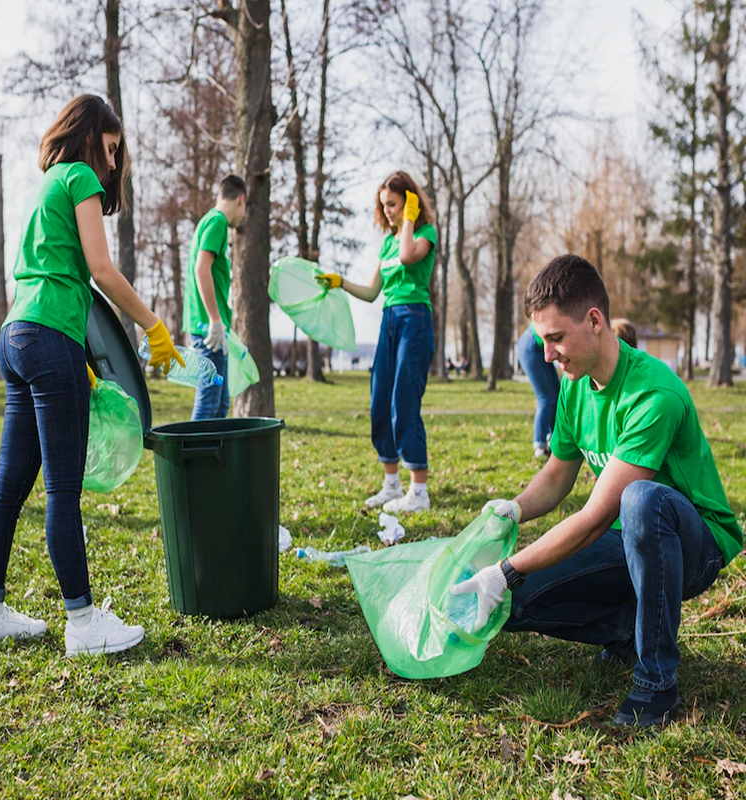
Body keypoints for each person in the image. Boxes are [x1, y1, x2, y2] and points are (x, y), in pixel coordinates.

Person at [453, 254, 743, 727]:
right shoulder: (575, 383)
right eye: (542, 341)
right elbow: (557, 474)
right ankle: (629, 631)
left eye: (555, 338)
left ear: (594, 321)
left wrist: (506, 569)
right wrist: (514, 509)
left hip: (693, 546)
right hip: (630, 535)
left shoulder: (654, 394)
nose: (547, 355)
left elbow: (593, 518)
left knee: (641, 501)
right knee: (515, 602)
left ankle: (656, 684)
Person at [0, 95, 183, 656]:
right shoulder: (82, 176)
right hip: (50, 339)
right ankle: (83, 624)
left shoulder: (44, 184)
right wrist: (154, 326)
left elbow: (58, 276)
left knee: (8, 488)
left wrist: (80, 365)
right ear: (91, 136)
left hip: (18, 336)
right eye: (111, 150)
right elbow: (101, 271)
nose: (112, 165)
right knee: (63, 491)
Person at [317, 171, 437, 513]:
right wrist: (341, 282)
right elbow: (371, 293)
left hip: (414, 320)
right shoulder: (387, 243)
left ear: (409, 201)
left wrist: (411, 219)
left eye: (393, 204)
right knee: (380, 400)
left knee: (404, 401)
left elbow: (409, 257)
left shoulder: (425, 233)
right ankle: (391, 484)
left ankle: (419, 492)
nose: (387, 211)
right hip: (388, 321)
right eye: (383, 205)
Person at [182, 174, 247, 420]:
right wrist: (215, 320)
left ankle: (213, 458)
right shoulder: (218, 222)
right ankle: (196, 458)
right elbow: (201, 269)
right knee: (209, 402)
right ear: (241, 199)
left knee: (220, 405)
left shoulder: (208, 222)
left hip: (208, 326)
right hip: (209, 328)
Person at [517, 320, 561, 458]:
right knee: (546, 399)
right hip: (531, 345)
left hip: (539, 345)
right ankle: (540, 446)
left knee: (558, 395)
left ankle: (555, 441)